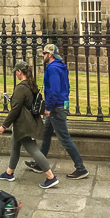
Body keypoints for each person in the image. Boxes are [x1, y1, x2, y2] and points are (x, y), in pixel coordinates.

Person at [25, 44, 89, 180]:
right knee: (46, 134)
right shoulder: (61, 66)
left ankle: (81, 168)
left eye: (44, 53)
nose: (42, 55)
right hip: (61, 105)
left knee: (64, 138)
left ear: (50, 54)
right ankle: (39, 164)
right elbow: (66, 87)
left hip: (56, 108)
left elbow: (54, 90)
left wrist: (48, 108)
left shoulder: (53, 68)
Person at [0, 61, 60, 190]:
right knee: (15, 145)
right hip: (26, 123)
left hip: (24, 125)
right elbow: (27, 102)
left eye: (16, 72)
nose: (16, 74)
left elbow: (15, 109)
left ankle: (50, 177)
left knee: (33, 150)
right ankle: (9, 173)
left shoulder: (21, 87)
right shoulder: (31, 85)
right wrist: (15, 98)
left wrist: (4, 125)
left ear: (20, 72)